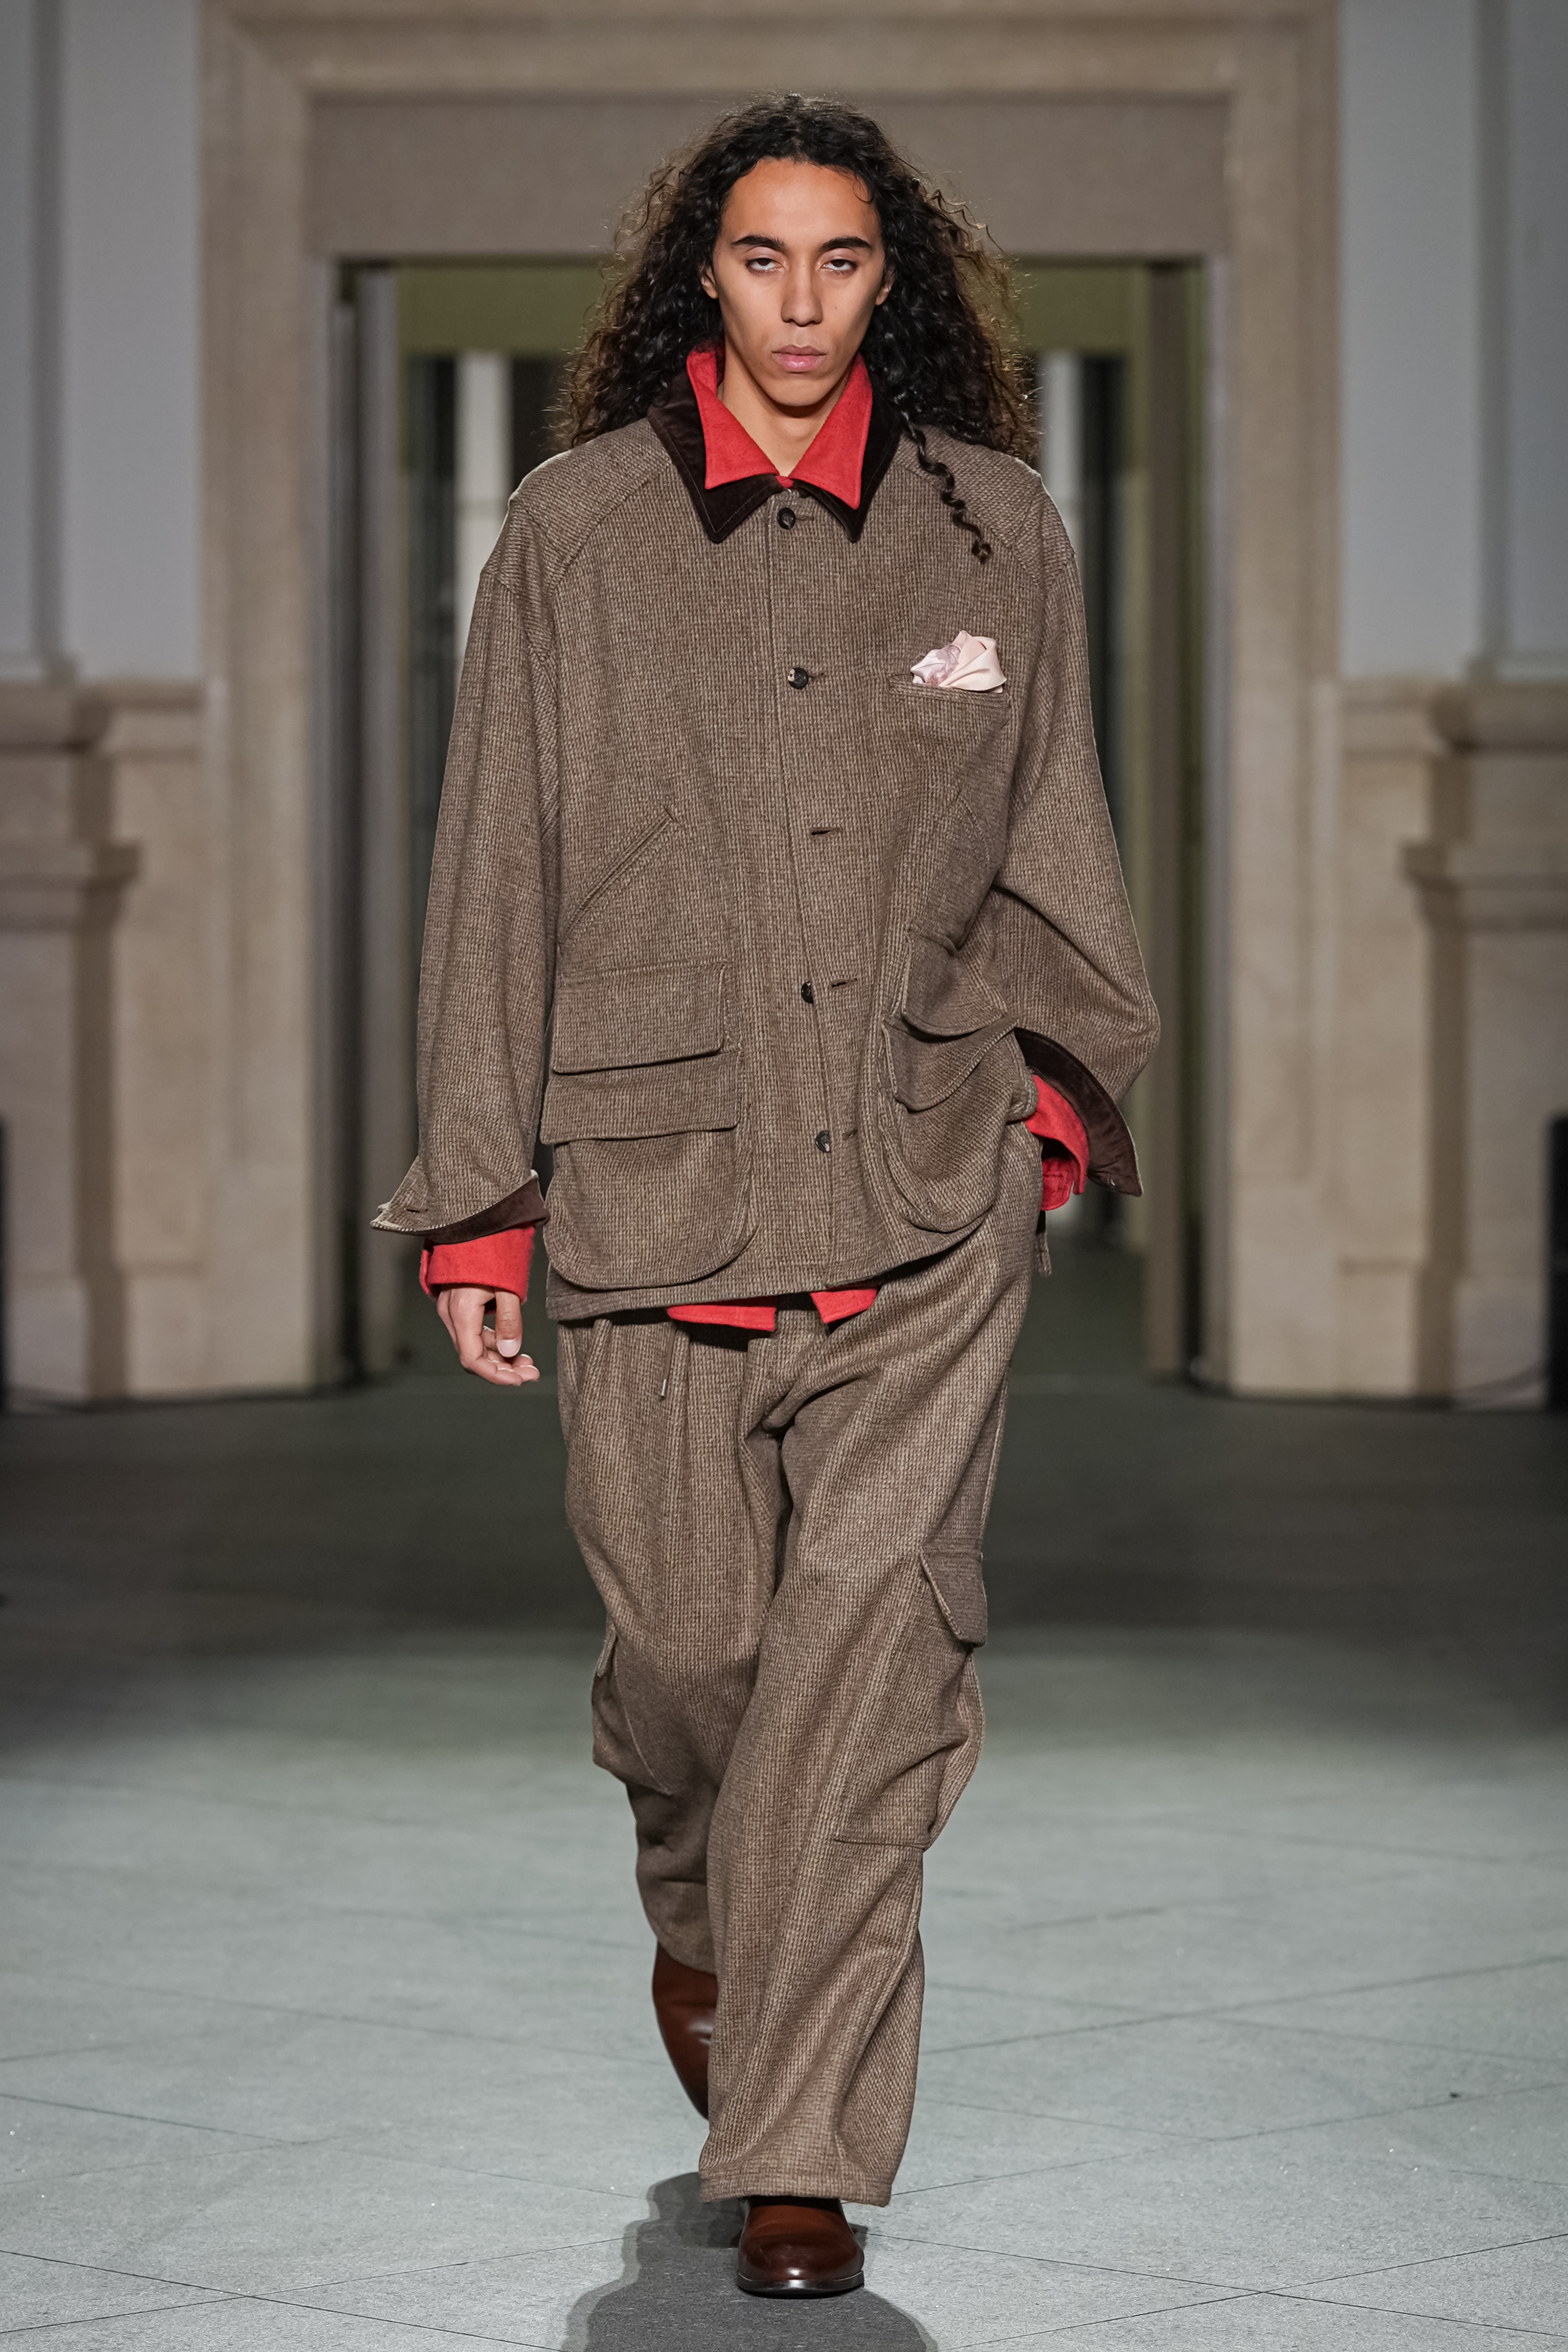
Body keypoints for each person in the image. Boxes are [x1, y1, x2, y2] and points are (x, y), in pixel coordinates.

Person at [376, 94, 1157, 2298]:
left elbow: (1054, 826)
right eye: (758, 257)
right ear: (697, 277)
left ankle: (796, 2145)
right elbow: (495, 864)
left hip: (924, 1182)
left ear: (889, 278)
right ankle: (712, 1908)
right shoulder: (577, 531)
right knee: (698, 1652)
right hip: (654, 1187)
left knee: (867, 1662)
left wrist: (1051, 1102)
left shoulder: (992, 527)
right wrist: (479, 1201)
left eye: (839, 259)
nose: (800, 302)